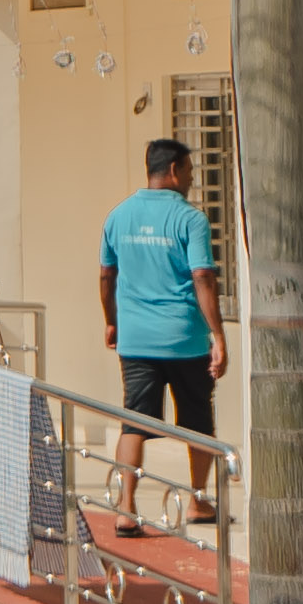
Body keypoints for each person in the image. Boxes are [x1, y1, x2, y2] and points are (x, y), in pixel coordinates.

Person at [98, 136, 224, 528]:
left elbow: (106, 275)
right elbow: (202, 277)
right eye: (189, 170)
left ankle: (126, 507)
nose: (192, 178)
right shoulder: (191, 219)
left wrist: (112, 320)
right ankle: (198, 502)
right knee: (198, 422)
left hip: (136, 339)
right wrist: (219, 336)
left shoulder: (118, 216)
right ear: (173, 170)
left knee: (134, 422)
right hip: (185, 340)